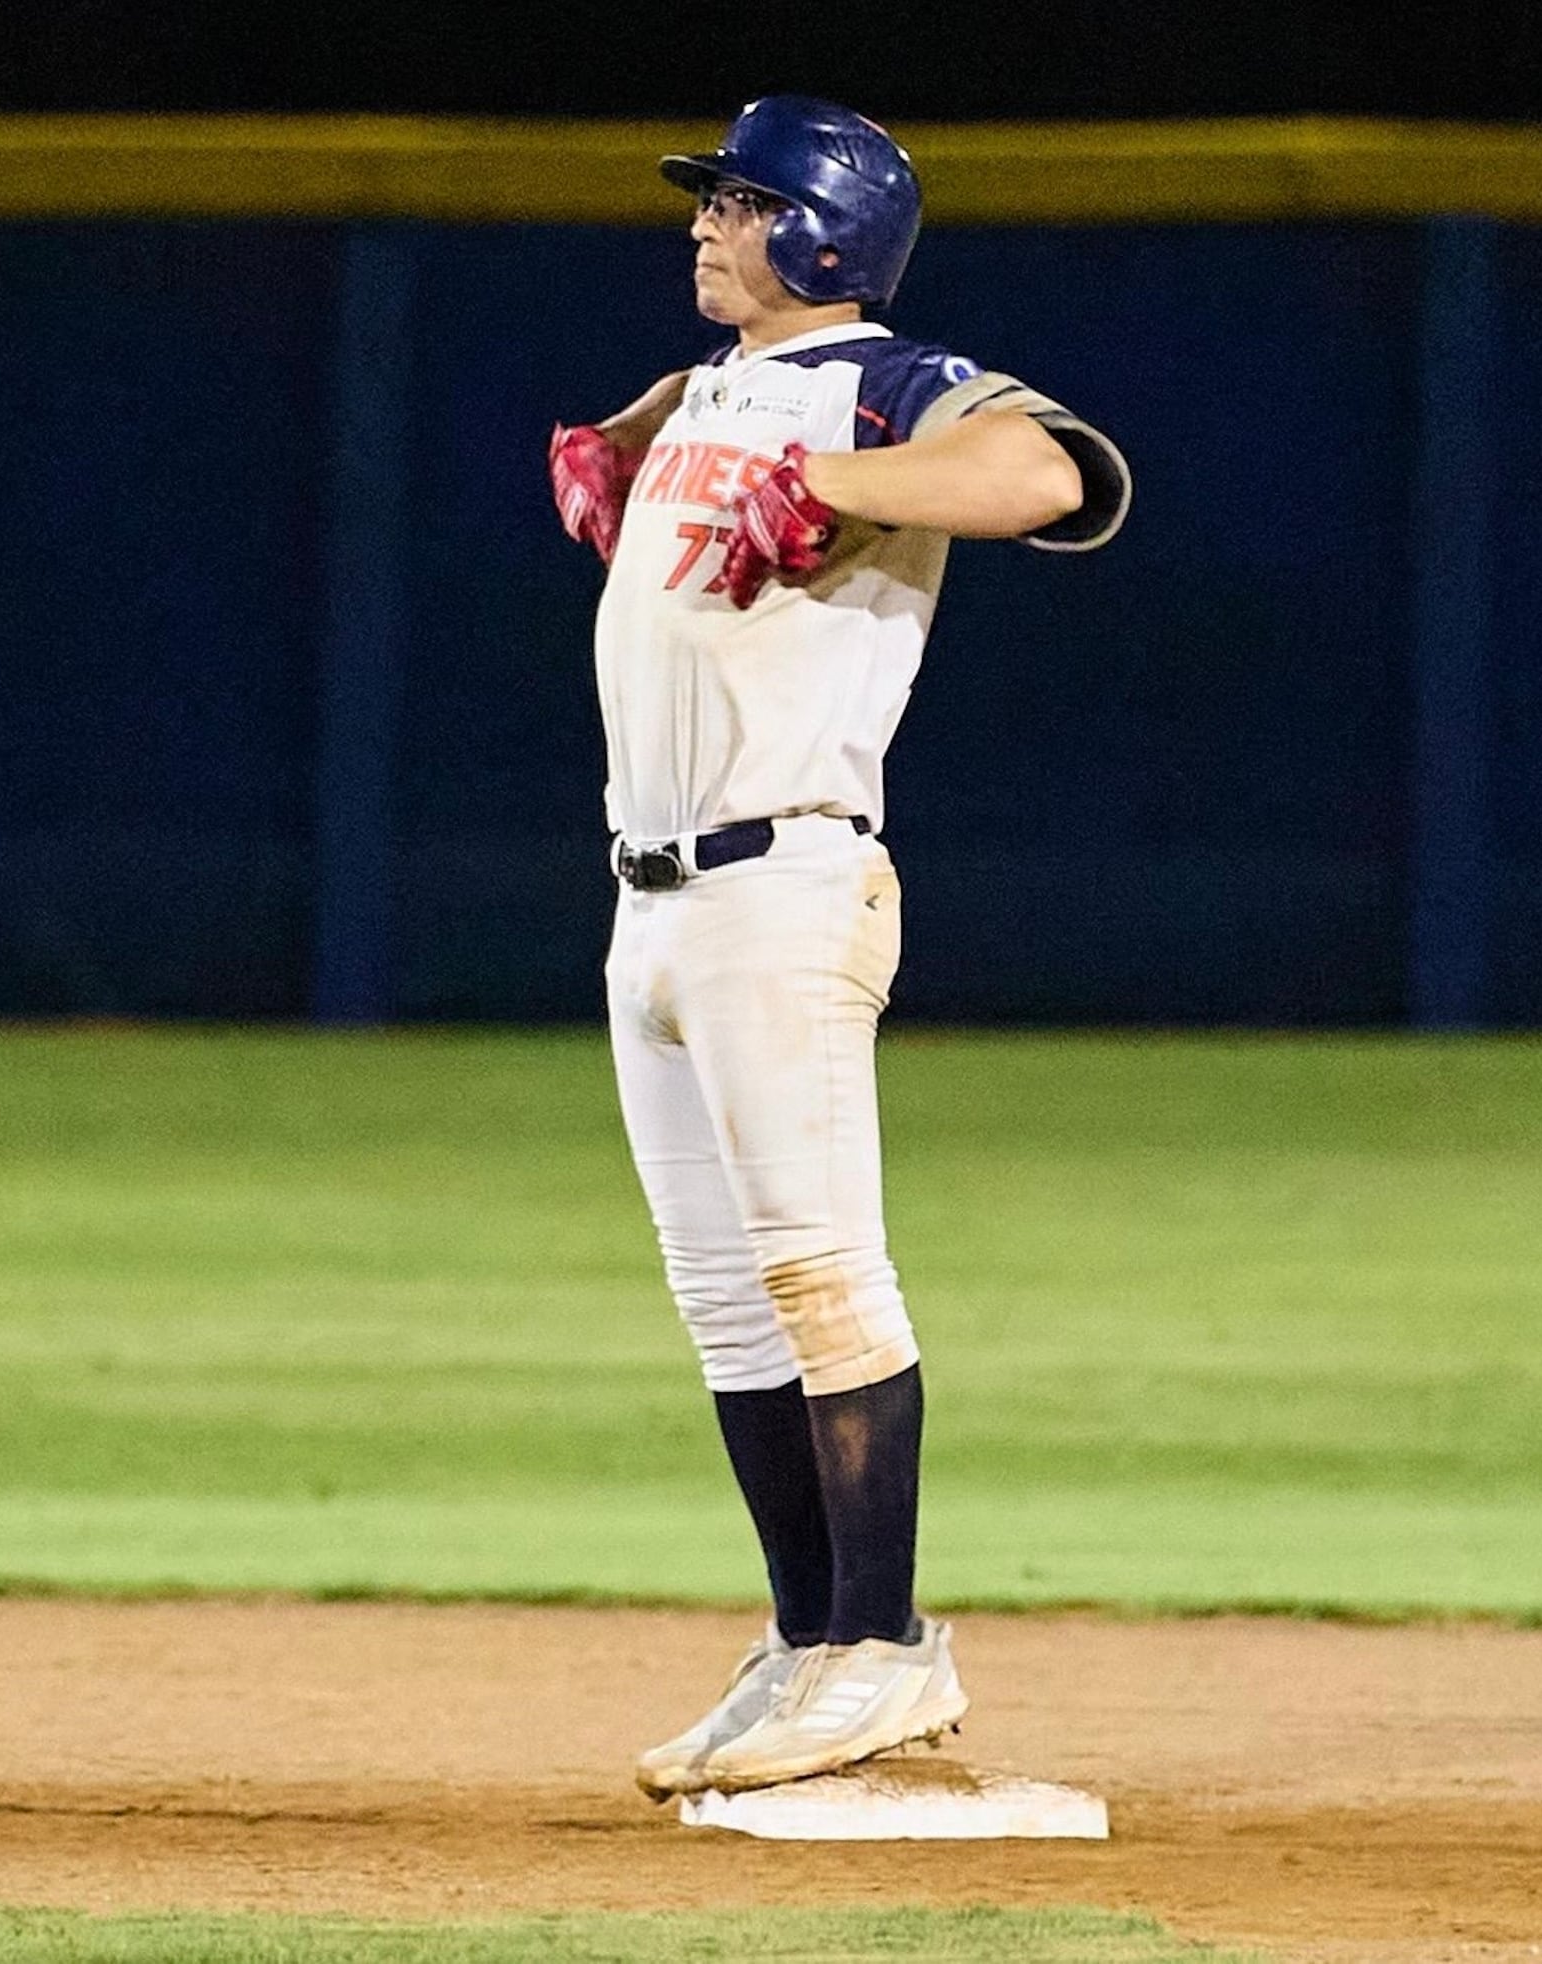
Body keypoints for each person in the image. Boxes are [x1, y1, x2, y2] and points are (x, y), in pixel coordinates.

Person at [546, 95, 1130, 1800]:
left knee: (820, 1277)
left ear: (817, 232)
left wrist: (831, 480)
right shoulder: (731, 381)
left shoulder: (881, 382)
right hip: (651, 903)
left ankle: (880, 1652)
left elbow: (1050, 473)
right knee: (728, 1305)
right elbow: (700, 428)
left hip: (782, 890)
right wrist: (641, 434)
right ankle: (808, 1648)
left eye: (733, 204)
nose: (702, 227)